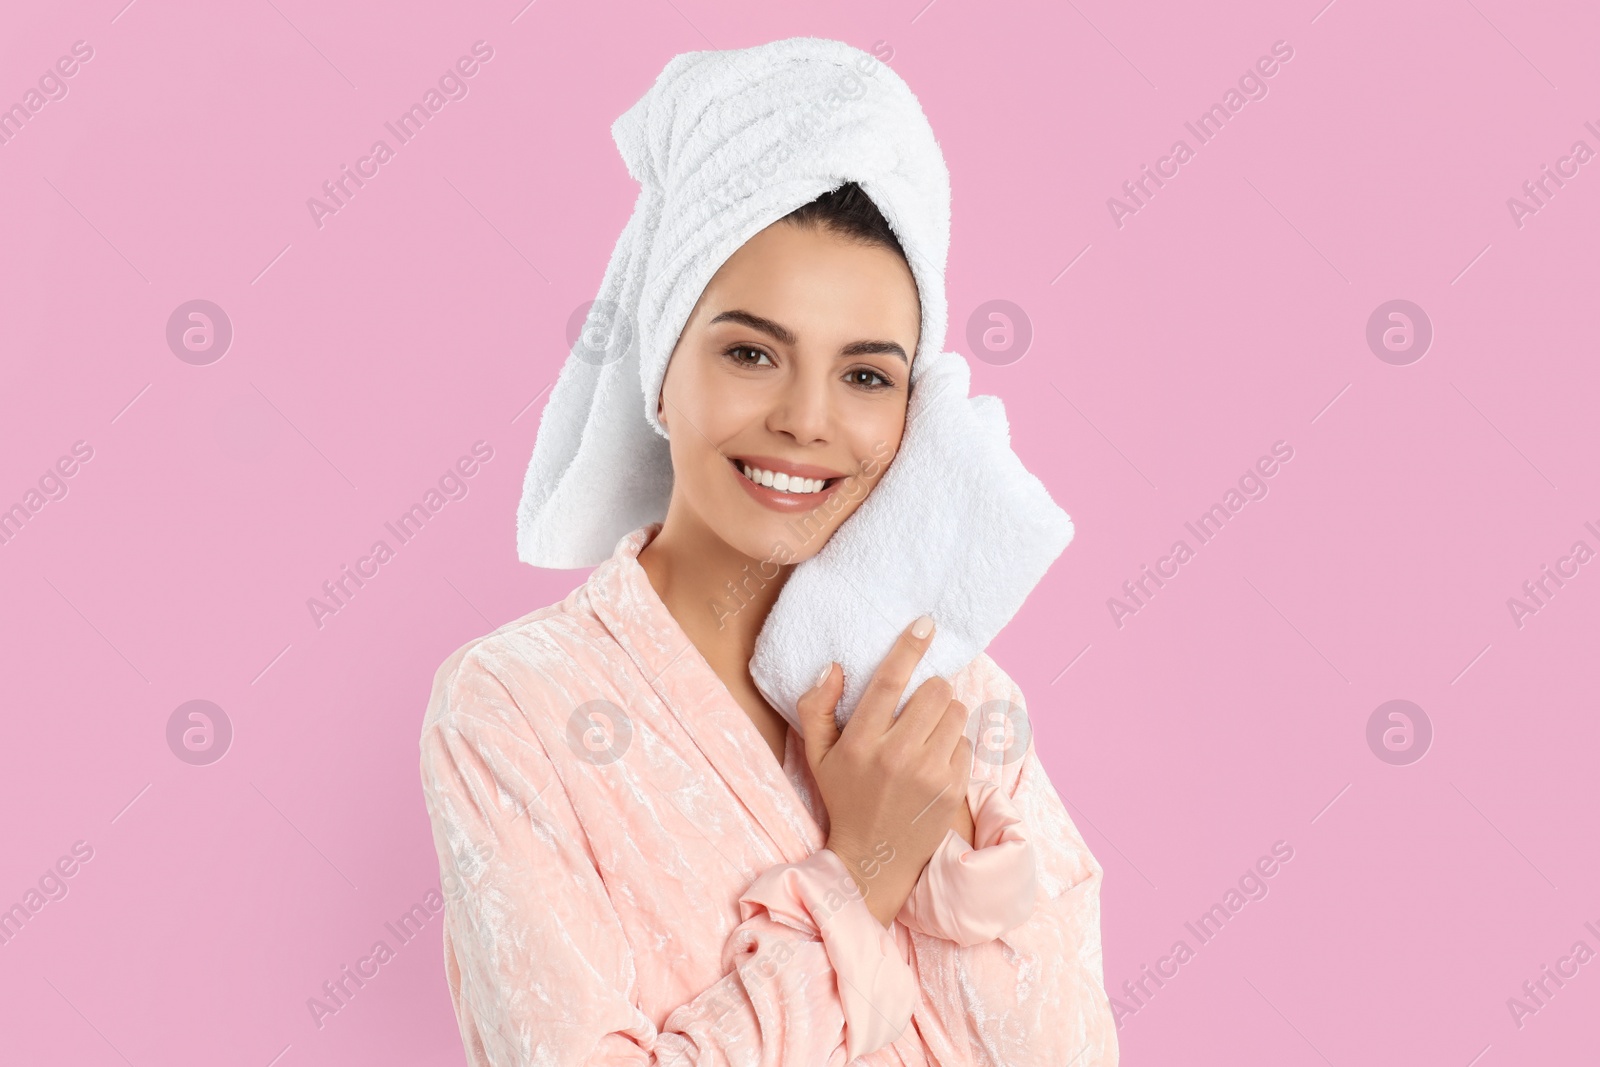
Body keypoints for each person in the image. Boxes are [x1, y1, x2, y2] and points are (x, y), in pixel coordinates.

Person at [419, 178, 1118, 1065]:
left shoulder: (956, 692)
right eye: (752, 354)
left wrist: (932, 844)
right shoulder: (513, 707)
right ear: (662, 375)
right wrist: (858, 876)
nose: (805, 420)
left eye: (865, 375)